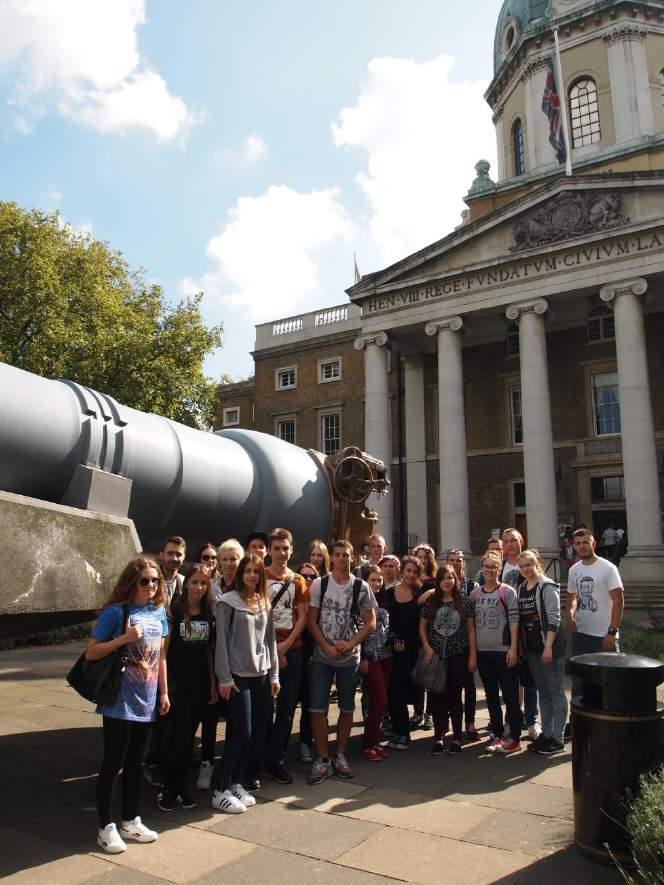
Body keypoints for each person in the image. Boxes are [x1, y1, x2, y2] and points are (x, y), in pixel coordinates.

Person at [86, 556, 170, 854]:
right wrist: (122, 639)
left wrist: (163, 692)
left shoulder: (159, 612)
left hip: (146, 701)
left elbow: (161, 656)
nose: (151, 586)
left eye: (155, 580)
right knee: (113, 763)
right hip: (119, 701)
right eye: (145, 580)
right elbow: (92, 653)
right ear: (132, 583)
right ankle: (105, 826)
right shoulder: (115, 612)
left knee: (137, 763)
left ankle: (130, 819)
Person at [211, 554, 279, 813]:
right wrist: (224, 678)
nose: (251, 575)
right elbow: (221, 644)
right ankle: (220, 788)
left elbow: (270, 640)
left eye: (256, 571)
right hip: (237, 677)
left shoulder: (264, 601)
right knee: (241, 733)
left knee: (253, 734)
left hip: (261, 675)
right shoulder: (227, 602)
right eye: (247, 570)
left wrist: (274, 676)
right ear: (240, 574)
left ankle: (236, 781)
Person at [307, 539, 377, 783]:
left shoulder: (361, 586)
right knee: (317, 707)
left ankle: (340, 754)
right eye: (337, 554)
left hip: (349, 657)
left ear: (352, 558)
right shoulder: (319, 584)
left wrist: (351, 643)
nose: (341, 558)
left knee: (347, 707)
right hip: (322, 656)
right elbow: (310, 620)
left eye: (345, 555)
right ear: (332, 557)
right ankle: (323, 757)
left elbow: (371, 622)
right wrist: (325, 645)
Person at [158, 566, 217, 811]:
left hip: (199, 682)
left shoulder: (208, 613)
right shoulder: (173, 612)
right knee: (177, 737)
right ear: (186, 584)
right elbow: (163, 652)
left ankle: (180, 787)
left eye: (204, 583)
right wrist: (163, 689)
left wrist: (212, 684)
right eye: (194, 582)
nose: (199, 587)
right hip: (177, 682)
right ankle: (167, 788)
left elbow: (208, 652)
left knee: (188, 737)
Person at [196, 538, 244, 791]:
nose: (227, 563)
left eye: (232, 559)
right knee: (210, 711)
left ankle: (231, 767)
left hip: (237, 657)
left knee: (236, 714)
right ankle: (206, 762)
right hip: (213, 653)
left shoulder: (245, 587)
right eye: (224, 559)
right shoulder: (211, 586)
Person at [264, 528, 308, 784]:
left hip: (293, 648)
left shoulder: (298, 580)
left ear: (291, 550)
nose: (281, 553)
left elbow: (302, 615)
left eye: (285, 548)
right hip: (264, 648)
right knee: (265, 707)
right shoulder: (260, 576)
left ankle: (276, 758)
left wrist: (287, 644)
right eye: (277, 548)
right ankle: (260, 756)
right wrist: (273, 648)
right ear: (270, 550)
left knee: (287, 707)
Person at [467, 554, 522, 754]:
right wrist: (473, 654)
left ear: (499, 569)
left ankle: (514, 736)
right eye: (486, 567)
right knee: (491, 695)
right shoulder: (475, 594)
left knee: (510, 696)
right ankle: (498, 733)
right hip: (483, 653)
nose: (489, 570)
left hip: (503, 651)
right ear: (481, 568)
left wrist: (513, 648)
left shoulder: (507, 592)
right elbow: (471, 626)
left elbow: (514, 621)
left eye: (493, 567)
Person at [419, 564, 476, 754]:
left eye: (450, 578)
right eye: (443, 578)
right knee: (436, 697)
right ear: (438, 581)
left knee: (455, 697)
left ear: (455, 580)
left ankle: (457, 737)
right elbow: (422, 627)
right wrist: (427, 648)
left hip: (458, 655)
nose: (447, 581)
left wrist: (472, 656)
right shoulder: (431, 602)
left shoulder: (464, 601)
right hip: (437, 657)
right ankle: (439, 736)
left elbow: (470, 630)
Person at [516, 550, 567, 755]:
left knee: (555, 691)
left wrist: (548, 647)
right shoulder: (521, 588)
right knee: (543, 692)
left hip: (550, 648)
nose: (525, 569)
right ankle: (546, 734)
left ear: (537, 563)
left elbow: (554, 617)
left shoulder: (546, 586)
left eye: (529, 564)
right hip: (533, 649)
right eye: (522, 566)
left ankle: (558, 737)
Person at [566, 528, 624, 699]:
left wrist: (612, 631)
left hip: (604, 636)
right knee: (579, 683)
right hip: (581, 634)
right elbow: (572, 597)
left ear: (594, 543)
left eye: (586, 542)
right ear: (574, 546)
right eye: (578, 543)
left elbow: (619, 601)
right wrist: (569, 615)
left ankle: (609, 723)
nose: (582, 546)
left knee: (609, 683)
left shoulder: (608, 568)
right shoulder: (574, 570)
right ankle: (579, 721)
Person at [500, 528, 540, 742]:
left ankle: (533, 722)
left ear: (521, 541)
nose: (510, 545)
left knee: (531, 678)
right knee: (509, 680)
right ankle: (512, 719)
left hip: (529, 631)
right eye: (506, 541)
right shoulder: (499, 568)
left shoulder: (530, 564)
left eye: (513, 540)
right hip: (506, 632)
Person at [384, 555, 423, 750]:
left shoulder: (420, 594)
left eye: (415, 572)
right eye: (408, 571)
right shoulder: (389, 593)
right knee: (392, 692)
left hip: (413, 651)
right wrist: (393, 640)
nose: (411, 575)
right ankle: (400, 730)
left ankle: (404, 734)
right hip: (393, 649)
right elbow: (384, 621)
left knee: (404, 692)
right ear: (402, 571)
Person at [359, 564, 392, 761]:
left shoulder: (384, 599)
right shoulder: (362, 602)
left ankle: (374, 741)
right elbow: (357, 629)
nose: (377, 583)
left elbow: (387, 629)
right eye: (373, 580)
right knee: (379, 700)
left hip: (386, 655)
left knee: (380, 702)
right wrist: (362, 656)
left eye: (379, 580)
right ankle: (368, 744)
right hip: (370, 656)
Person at [446, 549, 480, 741]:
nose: (457, 563)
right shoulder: (444, 585)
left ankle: (470, 722)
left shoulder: (472, 586)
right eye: (452, 560)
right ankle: (454, 722)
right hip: (450, 644)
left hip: (468, 642)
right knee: (452, 687)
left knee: (470, 686)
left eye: (459, 560)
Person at [296, 562, 320, 763]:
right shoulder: (294, 597)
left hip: (314, 658)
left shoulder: (320, 598)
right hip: (294, 655)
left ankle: (305, 741)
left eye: (312, 576)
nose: (308, 580)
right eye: (304, 576)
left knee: (309, 704)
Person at [159, 536, 186, 604]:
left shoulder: (185, 583)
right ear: (162, 555)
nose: (174, 558)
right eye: (170, 553)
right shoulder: (150, 580)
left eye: (179, 555)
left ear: (184, 557)